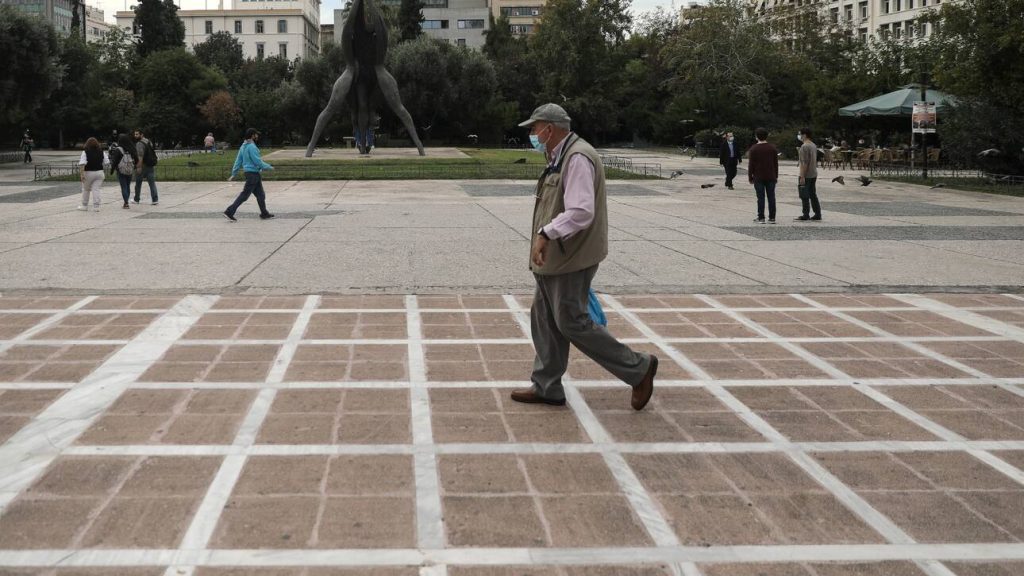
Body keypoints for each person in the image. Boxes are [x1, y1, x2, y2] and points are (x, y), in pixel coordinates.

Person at [512, 103, 658, 410]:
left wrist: (546, 233)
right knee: (545, 319)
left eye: (534, 128)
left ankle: (638, 368)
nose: (532, 134)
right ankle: (546, 386)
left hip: (570, 256)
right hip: (558, 256)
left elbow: (580, 212)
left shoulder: (577, 157)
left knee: (571, 322)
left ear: (549, 129)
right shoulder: (558, 155)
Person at [224, 128, 275, 221]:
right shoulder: (251, 146)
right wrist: (268, 167)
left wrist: (234, 173)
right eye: (256, 134)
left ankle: (264, 213)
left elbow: (238, 160)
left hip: (251, 173)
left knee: (260, 195)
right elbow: (257, 161)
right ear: (252, 135)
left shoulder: (243, 146)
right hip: (253, 174)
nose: (257, 136)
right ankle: (230, 211)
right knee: (245, 195)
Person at [747, 127, 779, 224]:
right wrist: (776, 176)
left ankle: (761, 217)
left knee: (760, 198)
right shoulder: (772, 148)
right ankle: (772, 217)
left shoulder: (753, 149)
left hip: (758, 176)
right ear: (767, 136)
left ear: (756, 136)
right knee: (771, 197)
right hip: (771, 176)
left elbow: (751, 165)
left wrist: (750, 177)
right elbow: (775, 164)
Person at [796, 127, 822, 221]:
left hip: (806, 174)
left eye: (800, 134)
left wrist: (802, 176)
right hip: (813, 173)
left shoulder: (804, 147)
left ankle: (805, 214)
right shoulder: (813, 145)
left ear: (804, 135)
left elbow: (804, 163)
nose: (799, 136)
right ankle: (817, 213)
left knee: (804, 194)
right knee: (812, 194)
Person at [77, 137, 109, 211]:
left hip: (88, 173)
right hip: (99, 172)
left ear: (87, 144)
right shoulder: (101, 151)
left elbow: (82, 164)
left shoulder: (85, 152)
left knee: (86, 189)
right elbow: (107, 162)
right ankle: (96, 207)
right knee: (96, 189)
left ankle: (84, 206)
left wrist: (81, 175)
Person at [108, 133, 139, 209]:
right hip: (129, 170)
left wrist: (112, 170)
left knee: (123, 186)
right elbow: (137, 160)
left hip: (121, 170)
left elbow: (114, 161)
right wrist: (133, 166)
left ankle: (126, 203)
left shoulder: (119, 149)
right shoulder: (132, 149)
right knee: (127, 186)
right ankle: (126, 201)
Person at [132, 129, 159, 205]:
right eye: (135, 134)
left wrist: (139, 167)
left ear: (142, 135)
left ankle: (136, 199)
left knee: (138, 183)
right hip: (150, 164)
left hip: (143, 165)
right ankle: (155, 199)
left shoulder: (139, 144)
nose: (135, 136)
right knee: (152, 183)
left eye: (137, 134)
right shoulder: (147, 141)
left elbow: (140, 156)